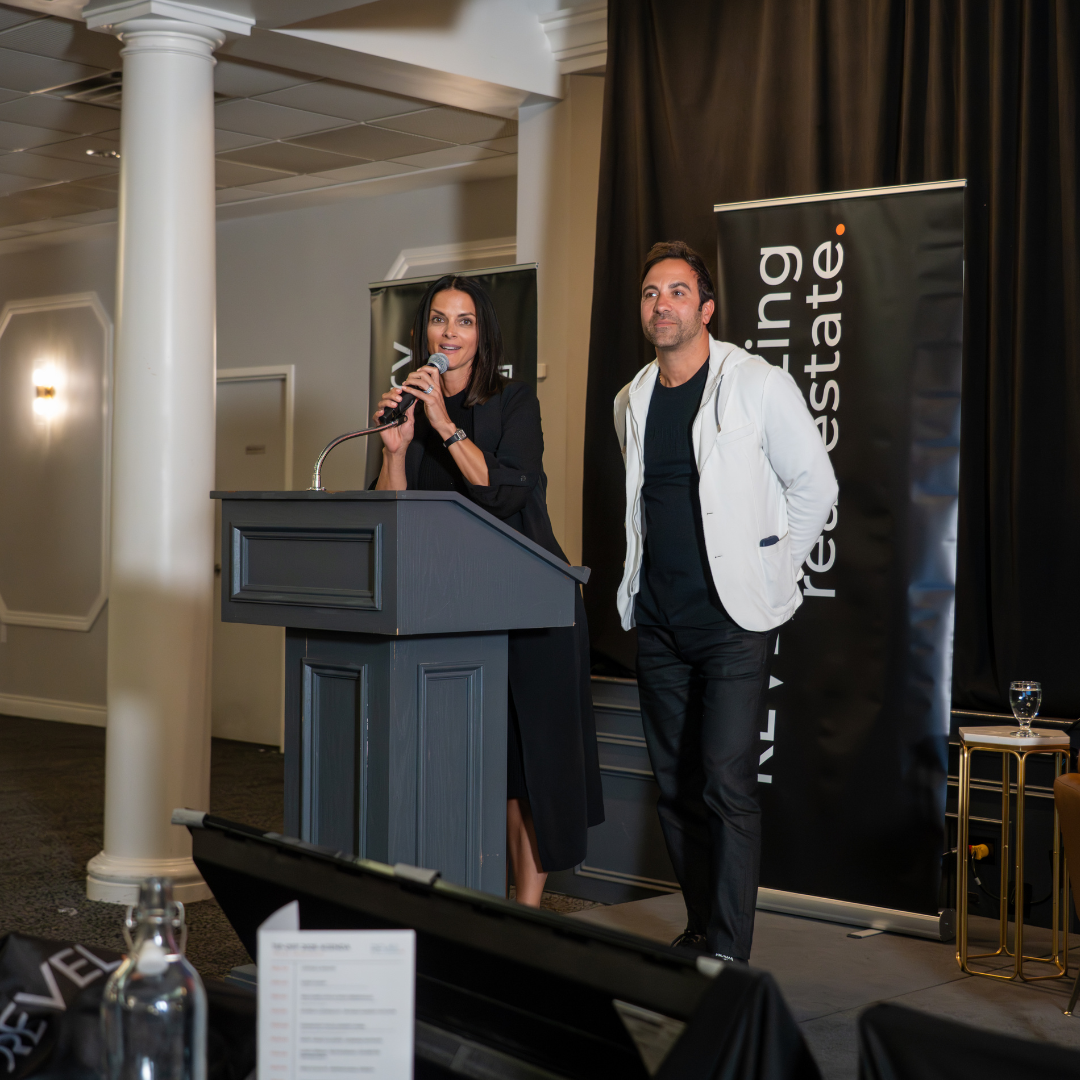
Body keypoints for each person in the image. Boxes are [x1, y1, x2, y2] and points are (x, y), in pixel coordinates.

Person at [613, 241, 837, 962]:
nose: (663, 304)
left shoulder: (758, 384)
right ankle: (701, 927)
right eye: (651, 293)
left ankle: (730, 955)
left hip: (733, 623)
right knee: (675, 787)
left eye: (678, 291)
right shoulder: (630, 399)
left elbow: (816, 486)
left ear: (706, 308)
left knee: (725, 782)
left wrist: (774, 568)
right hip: (657, 620)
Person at [374, 274, 604, 905]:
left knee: (532, 768)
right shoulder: (408, 409)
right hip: (453, 612)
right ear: (423, 330)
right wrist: (395, 449)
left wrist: (444, 422)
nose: (449, 333)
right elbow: (391, 519)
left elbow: (504, 493)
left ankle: (525, 914)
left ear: (483, 335)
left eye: (465, 321)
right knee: (488, 762)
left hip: (533, 605)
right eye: (439, 319)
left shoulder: (514, 402)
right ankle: (485, 899)